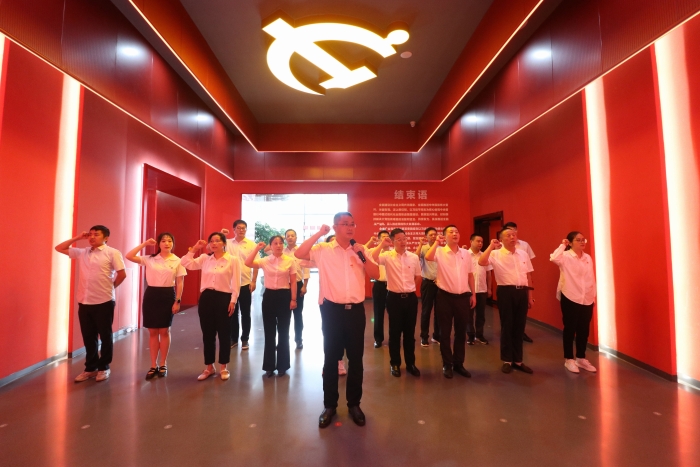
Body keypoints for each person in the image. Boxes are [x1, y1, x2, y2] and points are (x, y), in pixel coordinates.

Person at [295, 212, 380, 428]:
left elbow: (376, 274)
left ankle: (354, 404)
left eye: (352, 224)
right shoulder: (323, 250)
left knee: (356, 359)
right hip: (332, 311)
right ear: (335, 227)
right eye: (345, 224)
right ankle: (330, 406)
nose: (350, 227)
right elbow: (299, 253)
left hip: (356, 312)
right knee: (331, 358)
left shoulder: (360, 249)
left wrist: (363, 255)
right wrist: (319, 234)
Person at [55, 226, 126, 383]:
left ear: (106, 238)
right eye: (90, 234)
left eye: (96, 234)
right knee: (88, 336)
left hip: (104, 300)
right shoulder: (83, 252)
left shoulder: (112, 253)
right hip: (84, 300)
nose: (92, 237)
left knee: (105, 335)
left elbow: (122, 274)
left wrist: (111, 287)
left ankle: (104, 367)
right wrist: (77, 238)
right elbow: (59, 248)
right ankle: (90, 367)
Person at [125, 233, 186, 379]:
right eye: (163, 241)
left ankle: (163, 363)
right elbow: (129, 256)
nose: (167, 243)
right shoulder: (150, 259)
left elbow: (180, 282)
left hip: (168, 295)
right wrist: (145, 244)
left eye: (169, 241)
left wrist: (177, 301)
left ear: (173, 243)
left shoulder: (178, 260)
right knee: (152, 331)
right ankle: (153, 365)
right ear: (158, 244)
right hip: (151, 295)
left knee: (164, 331)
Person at [181, 233, 241, 381]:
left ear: (224, 243)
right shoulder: (204, 259)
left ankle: (223, 366)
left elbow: (236, 282)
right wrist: (195, 248)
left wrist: (233, 301)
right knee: (208, 334)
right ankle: (209, 367)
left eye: (217, 241)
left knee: (224, 333)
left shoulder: (233, 260)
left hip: (224, 298)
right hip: (207, 297)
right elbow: (185, 263)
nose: (214, 243)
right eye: (211, 241)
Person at [479, 229, 535, 374]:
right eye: (508, 235)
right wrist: (491, 246)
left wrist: (530, 296)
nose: (512, 237)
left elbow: (528, 276)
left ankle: (518, 360)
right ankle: (507, 360)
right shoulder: (495, 253)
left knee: (520, 326)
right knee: (507, 326)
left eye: (514, 235)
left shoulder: (523, 254)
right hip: (506, 292)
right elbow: (481, 261)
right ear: (501, 239)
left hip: (522, 291)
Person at [425, 225, 476, 379]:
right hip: (444, 297)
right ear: (445, 236)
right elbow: (428, 257)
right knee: (445, 332)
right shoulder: (440, 251)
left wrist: (473, 294)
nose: (455, 234)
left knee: (461, 332)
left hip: (463, 297)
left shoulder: (466, 253)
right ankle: (447, 364)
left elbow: (470, 275)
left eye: (456, 231)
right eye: (451, 232)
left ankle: (459, 363)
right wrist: (436, 242)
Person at [371, 229, 421, 377]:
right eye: (399, 239)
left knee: (410, 333)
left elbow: (418, 276)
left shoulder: (413, 257)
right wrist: (382, 244)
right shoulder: (387, 256)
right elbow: (372, 258)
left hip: (411, 299)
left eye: (404, 238)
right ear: (392, 241)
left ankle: (411, 363)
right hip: (394, 299)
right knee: (394, 333)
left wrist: (410, 287)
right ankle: (395, 363)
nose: (403, 241)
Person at [246, 236, 297, 377]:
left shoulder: (290, 260)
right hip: (269, 296)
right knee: (269, 332)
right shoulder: (265, 260)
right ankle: (269, 365)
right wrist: (256, 248)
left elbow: (293, 281)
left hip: (284, 296)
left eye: (281, 243)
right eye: (275, 243)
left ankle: (283, 365)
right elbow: (248, 262)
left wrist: (293, 299)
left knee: (283, 331)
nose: (278, 245)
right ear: (271, 246)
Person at [550, 232, 597, 374]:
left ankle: (581, 358)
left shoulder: (587, 258)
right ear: (570, 243)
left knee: (584, 329)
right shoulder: (565, 256)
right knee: (570, 329)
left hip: (586, 298)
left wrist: (593, 296)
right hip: (570, 296)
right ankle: (569, 359)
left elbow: (590, 277)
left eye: (583, 240)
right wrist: (562, 245)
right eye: (578, 240)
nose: (582, 242)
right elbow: (553, 258)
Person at [221, 220, 258, 350]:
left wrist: (254, 281)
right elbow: (214, 249)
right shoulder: (227, 243)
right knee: (232, 313)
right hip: (230, 284)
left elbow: (256, 264)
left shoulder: (251, 245)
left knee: (245, 313)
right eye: (239, 228)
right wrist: (221, 235)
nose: (241, 230)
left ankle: (245, 339)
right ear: (234, 229)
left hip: (245, 283)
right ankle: (233, 338)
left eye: (243, 228)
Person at [504, 221, 535, 343]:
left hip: (522, 283)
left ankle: (521, 333)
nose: (512, 233)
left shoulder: (524, 245)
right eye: (509, 230)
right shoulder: (500, 247)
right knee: (508, 317)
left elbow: (528, 268)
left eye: (514, 230)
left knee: (521, 314)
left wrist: (530, 285)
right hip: (508, 285)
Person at [283, 229, 309, 350]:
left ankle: (298, 339)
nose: (290, 237)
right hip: (284, 286)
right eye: (288, 236)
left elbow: (306, 270)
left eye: (292, 235)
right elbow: (267, 249)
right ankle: (283, 340)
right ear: (285, 238)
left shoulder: (301, 252)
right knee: (284, 315)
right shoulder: (281, 252)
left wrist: (305, 285)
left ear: (296, 237)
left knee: (298, 314)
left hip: (298, 285)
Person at [466, 234, 493, 345]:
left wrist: (489, 288)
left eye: (481, 241)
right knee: (468, 315)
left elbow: (489, 274)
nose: (480, 243)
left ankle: (479, 334)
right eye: (478, 241)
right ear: (471, 241)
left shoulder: (485, 255)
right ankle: (470, 335)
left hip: (482, 289)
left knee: (481, 315)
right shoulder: (465, 255)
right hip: (468, 290)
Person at [416, 227, 439, 347]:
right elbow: (415, 258)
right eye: (431, 235)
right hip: (428, 283)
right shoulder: (424, 248)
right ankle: (424, 337)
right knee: (426, 311)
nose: (433, 236)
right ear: (426, 236)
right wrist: (420, 244)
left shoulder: (441, 249)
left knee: (439, 311)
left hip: (440, 284)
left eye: (435, 234)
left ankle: (437, 336)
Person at [370, 230, 391, 348]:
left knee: (394, 314)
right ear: (378, 240)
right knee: (378, 313)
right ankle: (378, 339)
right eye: (383, 237)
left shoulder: (394, 252)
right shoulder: (375, 252)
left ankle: (393, 338)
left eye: (387, 237)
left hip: (392, 286)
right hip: (379, 285)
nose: (386, 238)